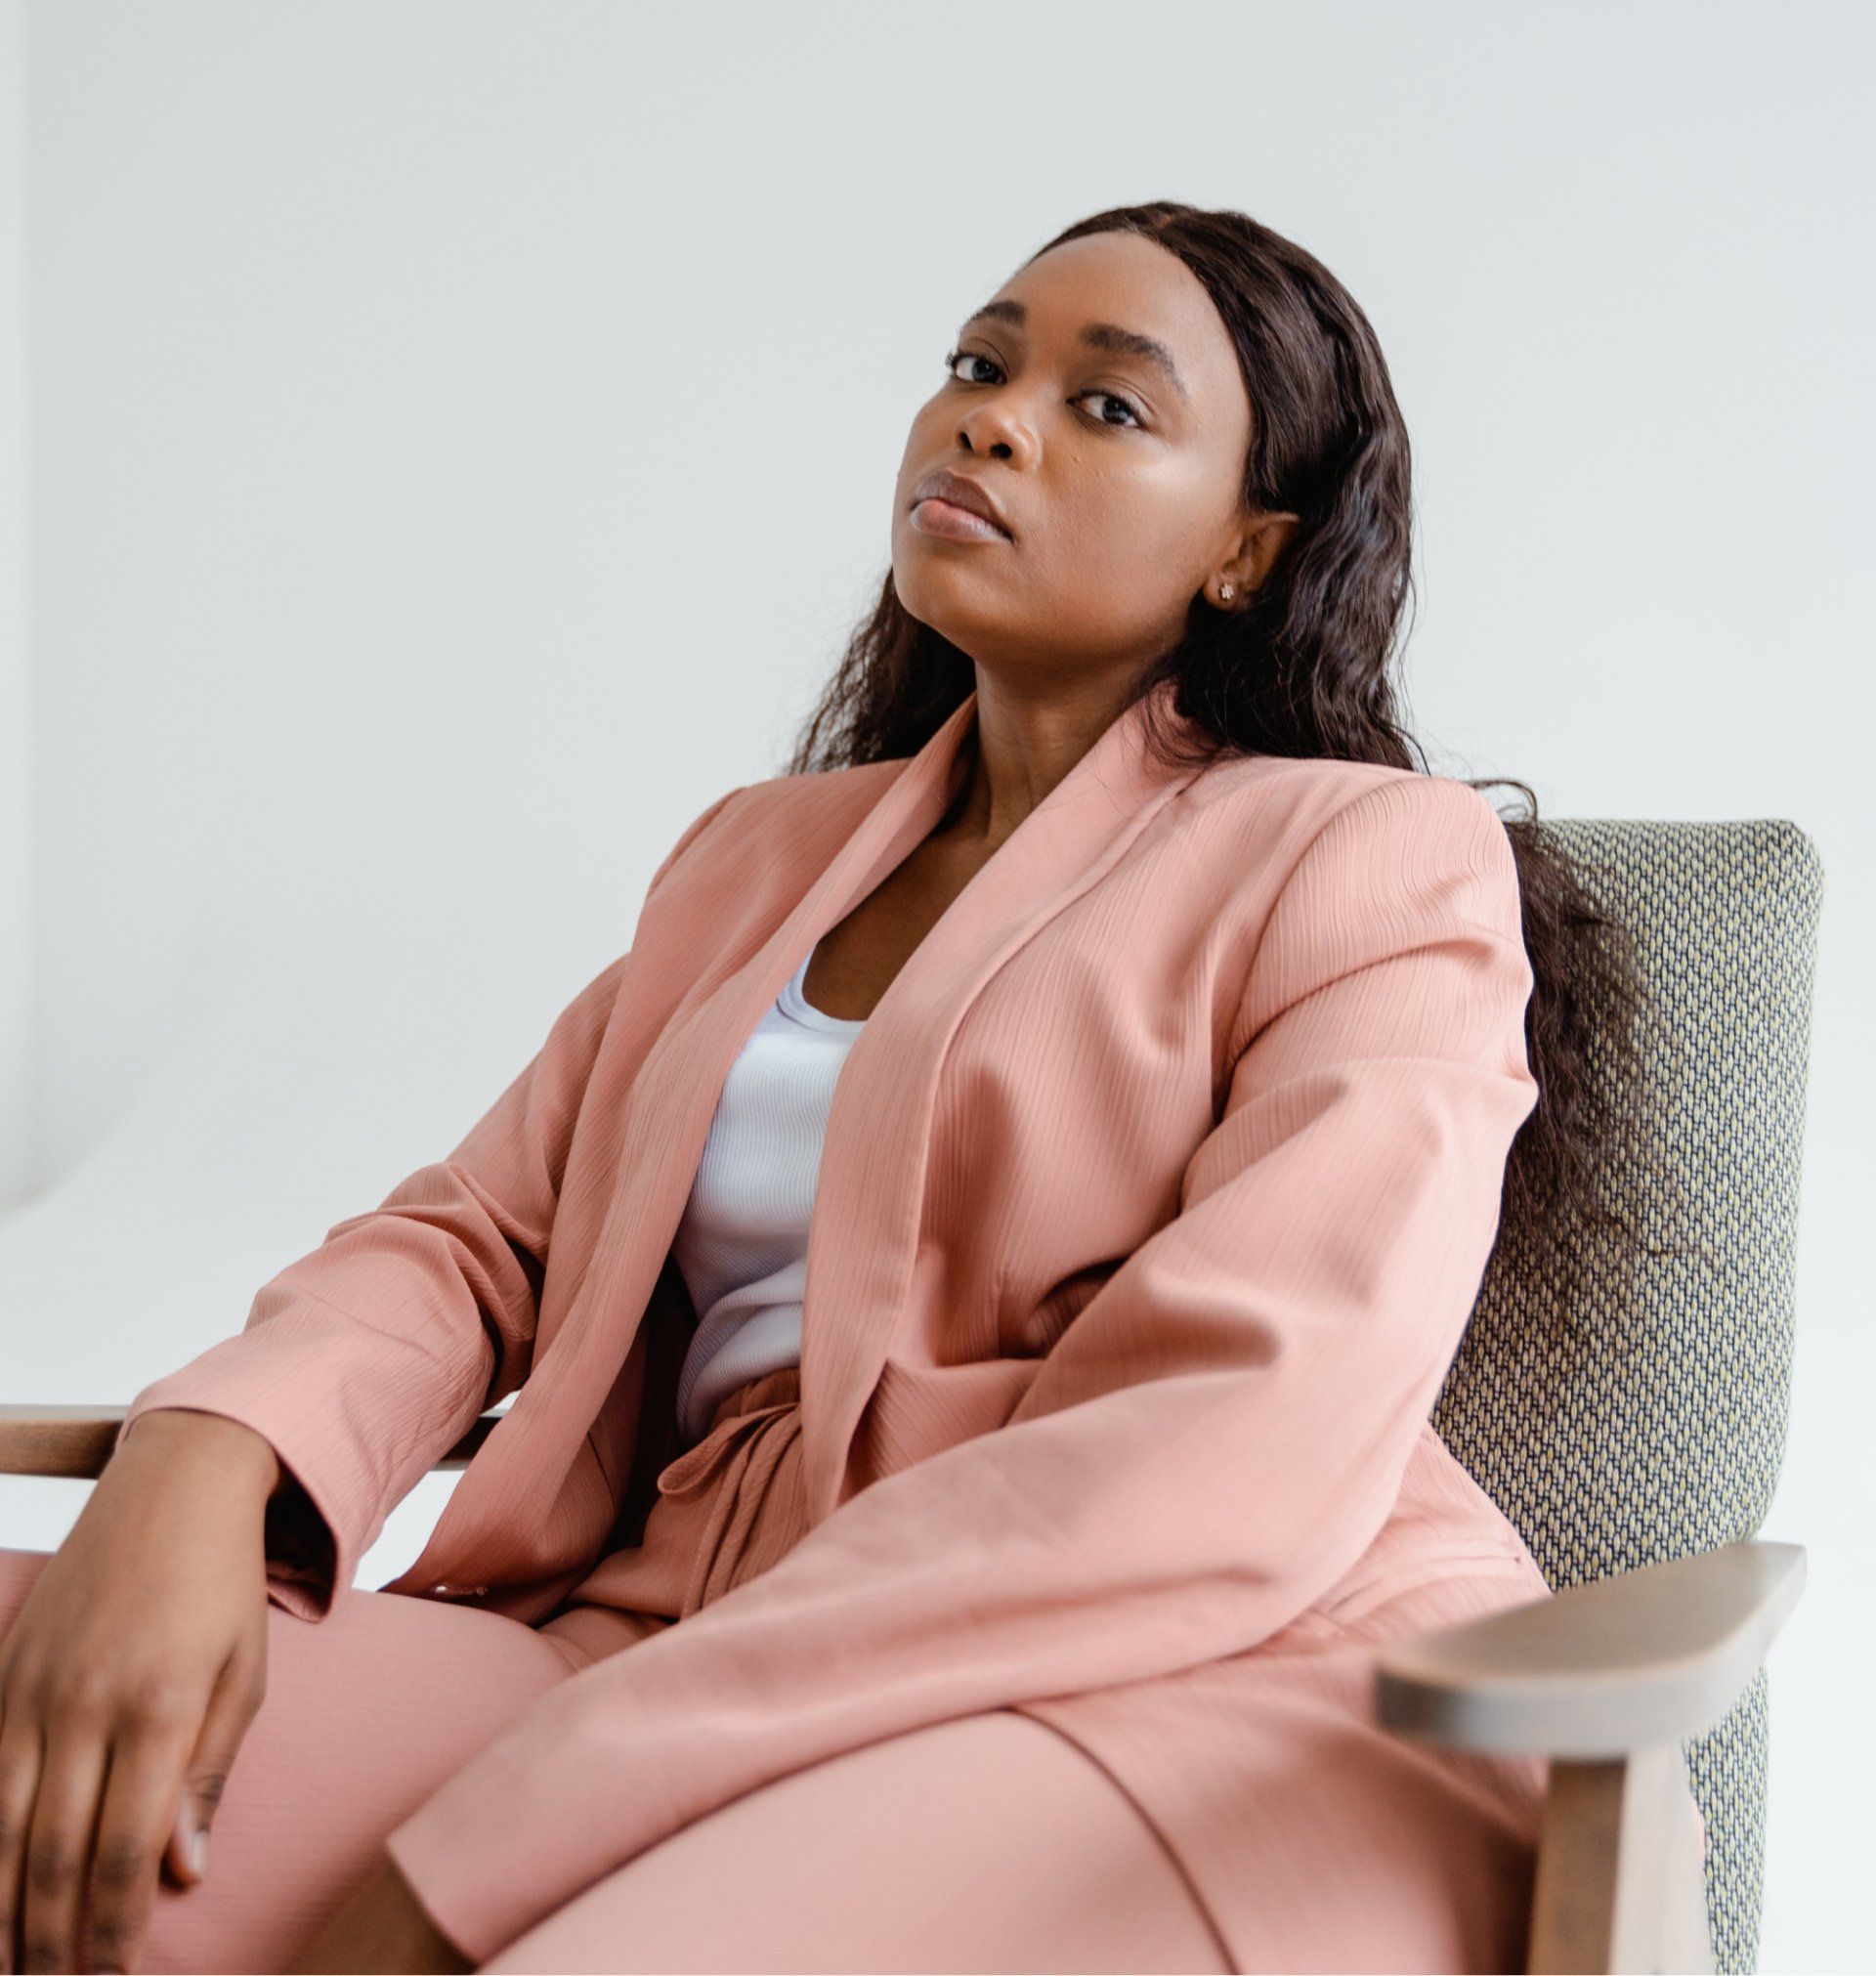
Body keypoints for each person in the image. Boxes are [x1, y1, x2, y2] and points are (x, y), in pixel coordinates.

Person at [0, 201, 1700, 1976]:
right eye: (979, 363)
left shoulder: (1369, 858)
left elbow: (1232, 1431)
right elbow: (478, 1235)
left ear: (1247, 550)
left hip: (1199, 1685)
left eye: (1108, 404)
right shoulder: (753, 859)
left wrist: (467, 1868)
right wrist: (208, 1455)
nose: (992, 419)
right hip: (665, 1633)